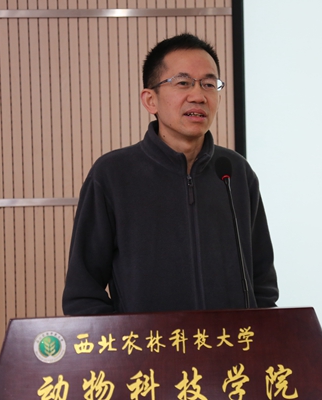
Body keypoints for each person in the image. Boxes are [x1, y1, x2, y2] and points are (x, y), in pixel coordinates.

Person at [62, 33, 278, 315]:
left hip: (229, 343)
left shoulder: (235, 172)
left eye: (209, 84)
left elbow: (262, 285)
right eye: (183, 83)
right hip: (150, 344)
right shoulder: (113, 175)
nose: (198, 96)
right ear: (150, 100)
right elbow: (82, 295)